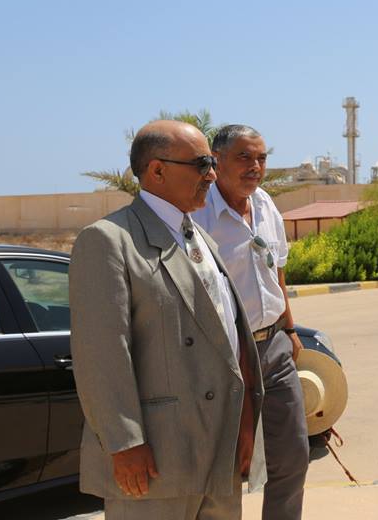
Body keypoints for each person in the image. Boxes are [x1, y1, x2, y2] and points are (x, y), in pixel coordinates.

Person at [70, 120, 266, 520]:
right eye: (201, 164)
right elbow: (101, 354)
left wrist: (246, 424)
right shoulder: (109, 240)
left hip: (219, 453)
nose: (212, 175)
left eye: (213, 164)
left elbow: (227, 340)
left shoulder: (201, 238)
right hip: (158, 461)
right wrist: (124, 444)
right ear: (157, 170)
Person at [191, 124, 308, 520]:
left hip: (274, 348)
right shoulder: (199, 215)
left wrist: (290, 329)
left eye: (261, 158)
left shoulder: (265, 204)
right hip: (225, 354)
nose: (255, 166)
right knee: (228, 466)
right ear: (216, 161)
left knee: (292, 456)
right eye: (244, 157)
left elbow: (277, 270)